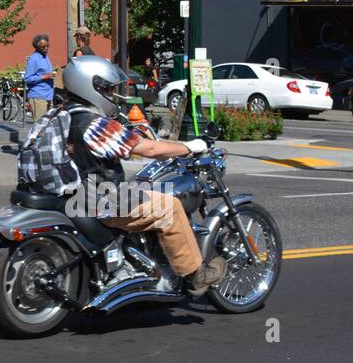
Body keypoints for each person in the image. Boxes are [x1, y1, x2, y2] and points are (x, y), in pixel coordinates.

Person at [59, 55, 227, 296]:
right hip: (101, 200)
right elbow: (148, 149)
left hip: (74, 195)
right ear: (91, 88)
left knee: (144, 194)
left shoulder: (61, 116)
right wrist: (190, 147)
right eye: (107, 89)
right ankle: (196, 275)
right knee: (170, 207)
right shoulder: (95, 124)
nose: (111, 94)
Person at [23, 33, 55, 121]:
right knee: (40, 127)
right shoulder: (34, 59)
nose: (46, 48)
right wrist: (44, 77)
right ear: (37, 48)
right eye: (43, 47)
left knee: (47, 126)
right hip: (38, 96)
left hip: (48, 95)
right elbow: (27, 79)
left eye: (47, 45)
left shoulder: (46, 57)